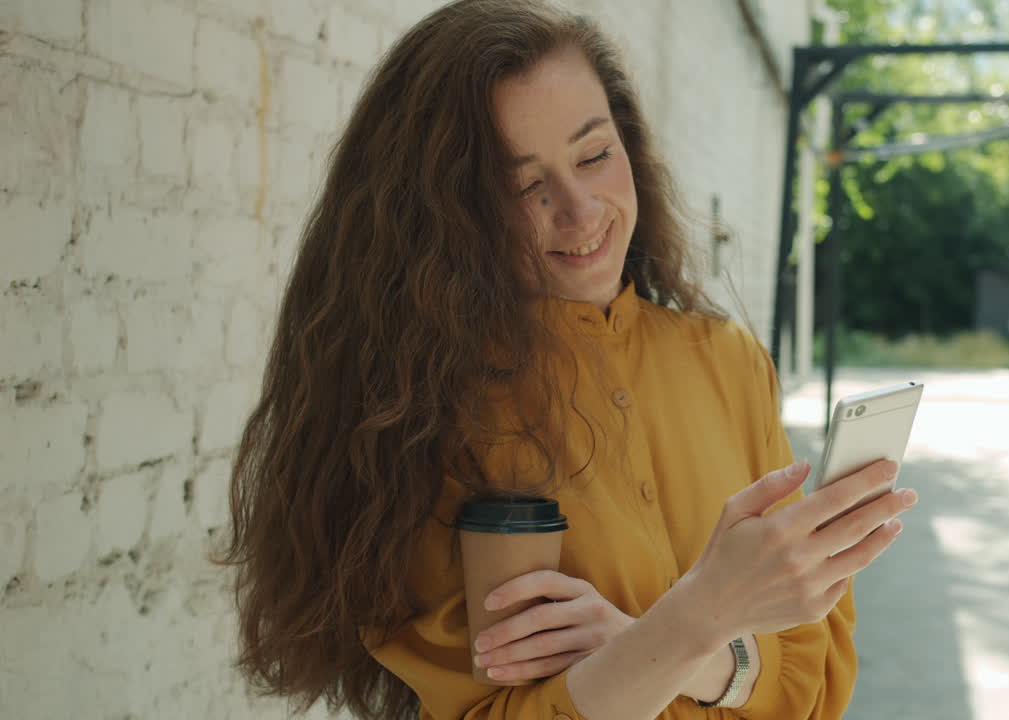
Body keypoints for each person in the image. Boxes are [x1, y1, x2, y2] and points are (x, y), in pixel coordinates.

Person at [220, 1, 918, 718]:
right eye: (523, 185)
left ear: (631, 144)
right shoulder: (417, 406)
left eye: (593, 154)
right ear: (444, 209)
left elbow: (815, 682)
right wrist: (700, 623)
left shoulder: (728, 361)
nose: (581, 210)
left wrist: (665, 646)